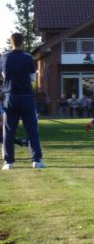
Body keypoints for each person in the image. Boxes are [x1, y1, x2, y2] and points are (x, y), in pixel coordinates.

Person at [1, 32, 45, 169]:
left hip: (10, 96)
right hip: (26, 97)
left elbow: (3, 76)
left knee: (9, 131)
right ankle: (36, 160)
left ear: (11, 42)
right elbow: (32, 78)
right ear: (23, 42)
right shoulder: (28, 58)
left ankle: (8, 162)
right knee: (32, 129)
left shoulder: (4, 58)